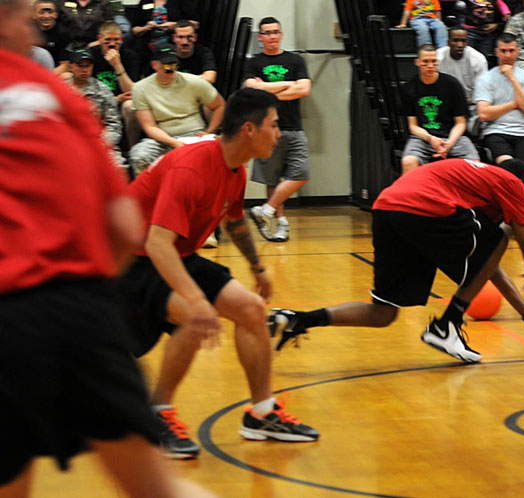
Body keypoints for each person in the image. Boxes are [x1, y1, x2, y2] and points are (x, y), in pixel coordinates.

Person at [0, 1, 214, 495]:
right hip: (79, 305)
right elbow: (121, 226)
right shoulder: (56, 95)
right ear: (13, 21)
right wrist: (88, 291)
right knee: (158, 486)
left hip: (5, 313)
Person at [118, 88, 320, 459]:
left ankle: (261, 414)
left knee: (250, 309)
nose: (278, 134)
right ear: (249, 129)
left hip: (175, 253)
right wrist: (196, 300)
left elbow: (234, 220)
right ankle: (156, 414)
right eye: (274, 126)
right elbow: (158, 243)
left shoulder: (234, 168)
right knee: (194, 319)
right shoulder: (191, 167)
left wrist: (258, 268)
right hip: (131, 261)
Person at [264, 157, 524, 363]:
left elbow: (489, 268)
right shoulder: (512, 183)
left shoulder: (471, 181)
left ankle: (300, 319)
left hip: (387, 210)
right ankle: (448, 325)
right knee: (502, 235)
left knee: (383, 312)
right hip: (420, 209)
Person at [244, 17, 312, 243]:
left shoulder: (295, 60)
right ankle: (280, 223)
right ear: (260, 37)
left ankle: (265, 210)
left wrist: (267, 88)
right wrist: (288, 85)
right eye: (267, 33)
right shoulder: (253, 63)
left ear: (281, 34)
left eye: (276, 32)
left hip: (294, 126)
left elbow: (304, 89)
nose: (272, 36)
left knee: (301, 173)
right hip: (267, 128)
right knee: (272, 179)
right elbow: (252, 90)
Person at [129, 42, 225, 175]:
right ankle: (151, 193)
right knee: (139, 156)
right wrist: (174, 143)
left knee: (216, 155)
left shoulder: (194, 81)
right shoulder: (140, 88)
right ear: (154, 65)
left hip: (193, 135)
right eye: (166, 65)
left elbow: (219, 105)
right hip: (162, 138)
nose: (171, 69)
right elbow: (149, 126)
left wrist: (209, 131)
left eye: (174, 65)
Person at [401, 44, 479, 174]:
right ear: (417, 62)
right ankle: (409, 194)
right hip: (423, 138)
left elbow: (461, 123)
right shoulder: (410, 88)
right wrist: (431, 139)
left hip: (453, 137)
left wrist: (448, 144)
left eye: (433, 61)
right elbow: (413, 126)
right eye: (426, 62)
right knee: (408, 162)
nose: (430, 65)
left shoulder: (452, 84)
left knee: (475, 164)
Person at [475, 33, 524, 168]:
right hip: (495, 131)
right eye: (503, 51)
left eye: (511, 51)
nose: (507, 55)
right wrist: (514, 104)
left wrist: (512, 78)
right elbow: (484, 114)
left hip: (523, 132)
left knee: (523, 170)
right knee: (508, 165)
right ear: (496, 52)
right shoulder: (485, 78)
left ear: (517, 52)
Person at [67, 47, 125, 168]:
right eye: (80, 66)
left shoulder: (102, 90)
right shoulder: (60, 89)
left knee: (118, 167)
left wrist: (102, 143)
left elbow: (114, 124)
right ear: (70, 67)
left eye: (87, 66)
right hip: (68, 142)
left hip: (98, 141)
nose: (84, 70)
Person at [88, 21, 141, 148]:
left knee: (130, 105)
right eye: (107, 40)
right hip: (99, 101)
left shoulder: (130, 56)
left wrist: (117, 65)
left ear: (122, 40)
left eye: (116, 40)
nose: (112, 44)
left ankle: (132, 148)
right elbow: (89, 89)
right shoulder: (91, 55)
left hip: (123, 102)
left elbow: (130, 91)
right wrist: (115, 99)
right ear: (99, 39)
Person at [436, 25, 488, 110]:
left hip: (470, 105)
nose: (460, 45)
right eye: (455, 40)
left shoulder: (478, 60)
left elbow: (481, 93)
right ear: (448, 42)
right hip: (442, 104)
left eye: (463, 41)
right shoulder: (437, 58)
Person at [172, 19, 217, 83]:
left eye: (189, 37)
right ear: (174, 38)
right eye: (180, 37)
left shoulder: (204, 52)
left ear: (195, 37)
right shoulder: (167, 52)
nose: (185, 42)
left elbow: (210, 78)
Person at [33, 0, 71, 72]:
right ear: (34, 15)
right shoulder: (27, 31)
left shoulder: (63, 34)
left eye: (50, 12)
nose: (46, 16)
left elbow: (65, 65)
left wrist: (47, 77)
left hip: (54, 72)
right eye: (42, 12)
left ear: (56, 15)